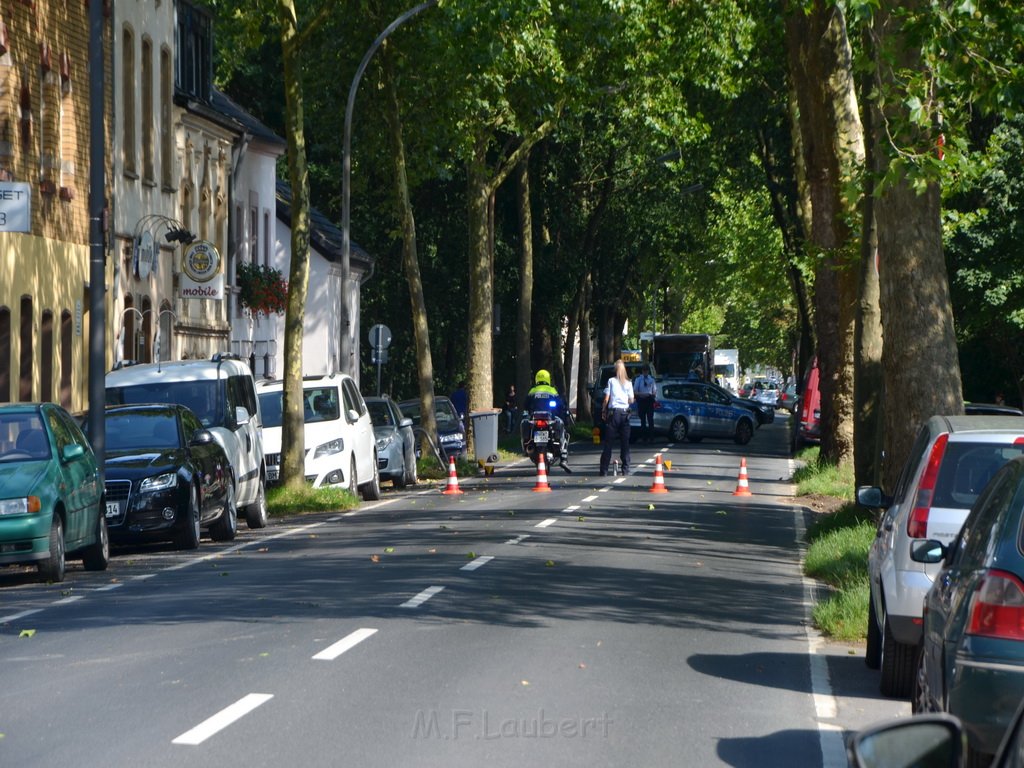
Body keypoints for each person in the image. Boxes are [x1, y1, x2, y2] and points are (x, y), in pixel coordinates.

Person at [600, 359, 635, 476]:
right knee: (625, 443)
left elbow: (606, 399)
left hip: (613, 414)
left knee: (608, 442)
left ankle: (604, 469)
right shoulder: (629, 383)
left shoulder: (611, 381)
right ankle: (625, 469)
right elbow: (631, 400)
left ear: (615, 369)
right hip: (625, 414)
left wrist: (603, 411)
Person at [633, 365, 657, 442]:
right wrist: (642, 394)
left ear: (648, 371)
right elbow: (635, 391)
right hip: (642, 400)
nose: (645, 372)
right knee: (642, 420)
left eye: (646, 371)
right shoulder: (638, 379)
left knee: (650, 419)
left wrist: (652, 394)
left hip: (649, 400)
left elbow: (654, 390)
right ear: (642, 371)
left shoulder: (651, 380)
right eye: (644, 371)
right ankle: (644, 438)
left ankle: (652, 438)